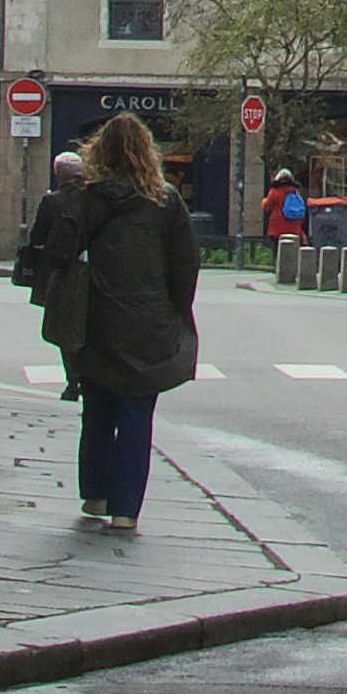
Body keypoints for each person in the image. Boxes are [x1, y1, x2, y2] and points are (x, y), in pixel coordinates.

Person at [47, 113, 201, 534]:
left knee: (97, 406)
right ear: (148, 153)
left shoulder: (86, 198)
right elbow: (185, 264)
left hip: (95, 317)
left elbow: (59, 254)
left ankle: (95, 492)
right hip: (148, 321)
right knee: (136, 413)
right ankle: (125, 509)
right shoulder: (166, 201)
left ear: (100, 152)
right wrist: (174, 309)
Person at [9, 146, 87, 301]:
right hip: (83, 263)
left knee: (54, 306)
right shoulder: (88, 199)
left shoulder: (50, 201)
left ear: (57, 174)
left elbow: (37, 237)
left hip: (54, 265)